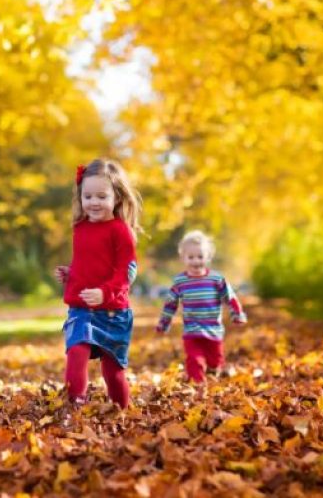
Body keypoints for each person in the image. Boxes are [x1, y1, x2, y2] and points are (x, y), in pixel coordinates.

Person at [54, 159, 142, 408]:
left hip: (113, 312)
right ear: (80, 197)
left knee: (112, 374)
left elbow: (125, 271)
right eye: (88, 196)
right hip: (81, 309)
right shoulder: (80, 228)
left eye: (101, 196)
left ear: (117, 197)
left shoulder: (120, 230)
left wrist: (104, 293)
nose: (93, 202)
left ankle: (122, 412)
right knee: (75, 356)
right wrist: (71, 274)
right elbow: (90, 264)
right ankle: (75, 406)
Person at [155, 230, 247, 382]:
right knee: (194, 359)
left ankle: (213, 371)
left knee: (215, 361)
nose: (196, 261)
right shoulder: (180, 282)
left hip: (214, 330)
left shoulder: (216, 279)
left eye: (200, 256)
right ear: (183, 258)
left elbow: (230, 297)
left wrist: (237, 314)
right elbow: (170, 304)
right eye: (191, 257)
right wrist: (163, 324)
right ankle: (197, 385)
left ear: (208, 257)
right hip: (192, 331)